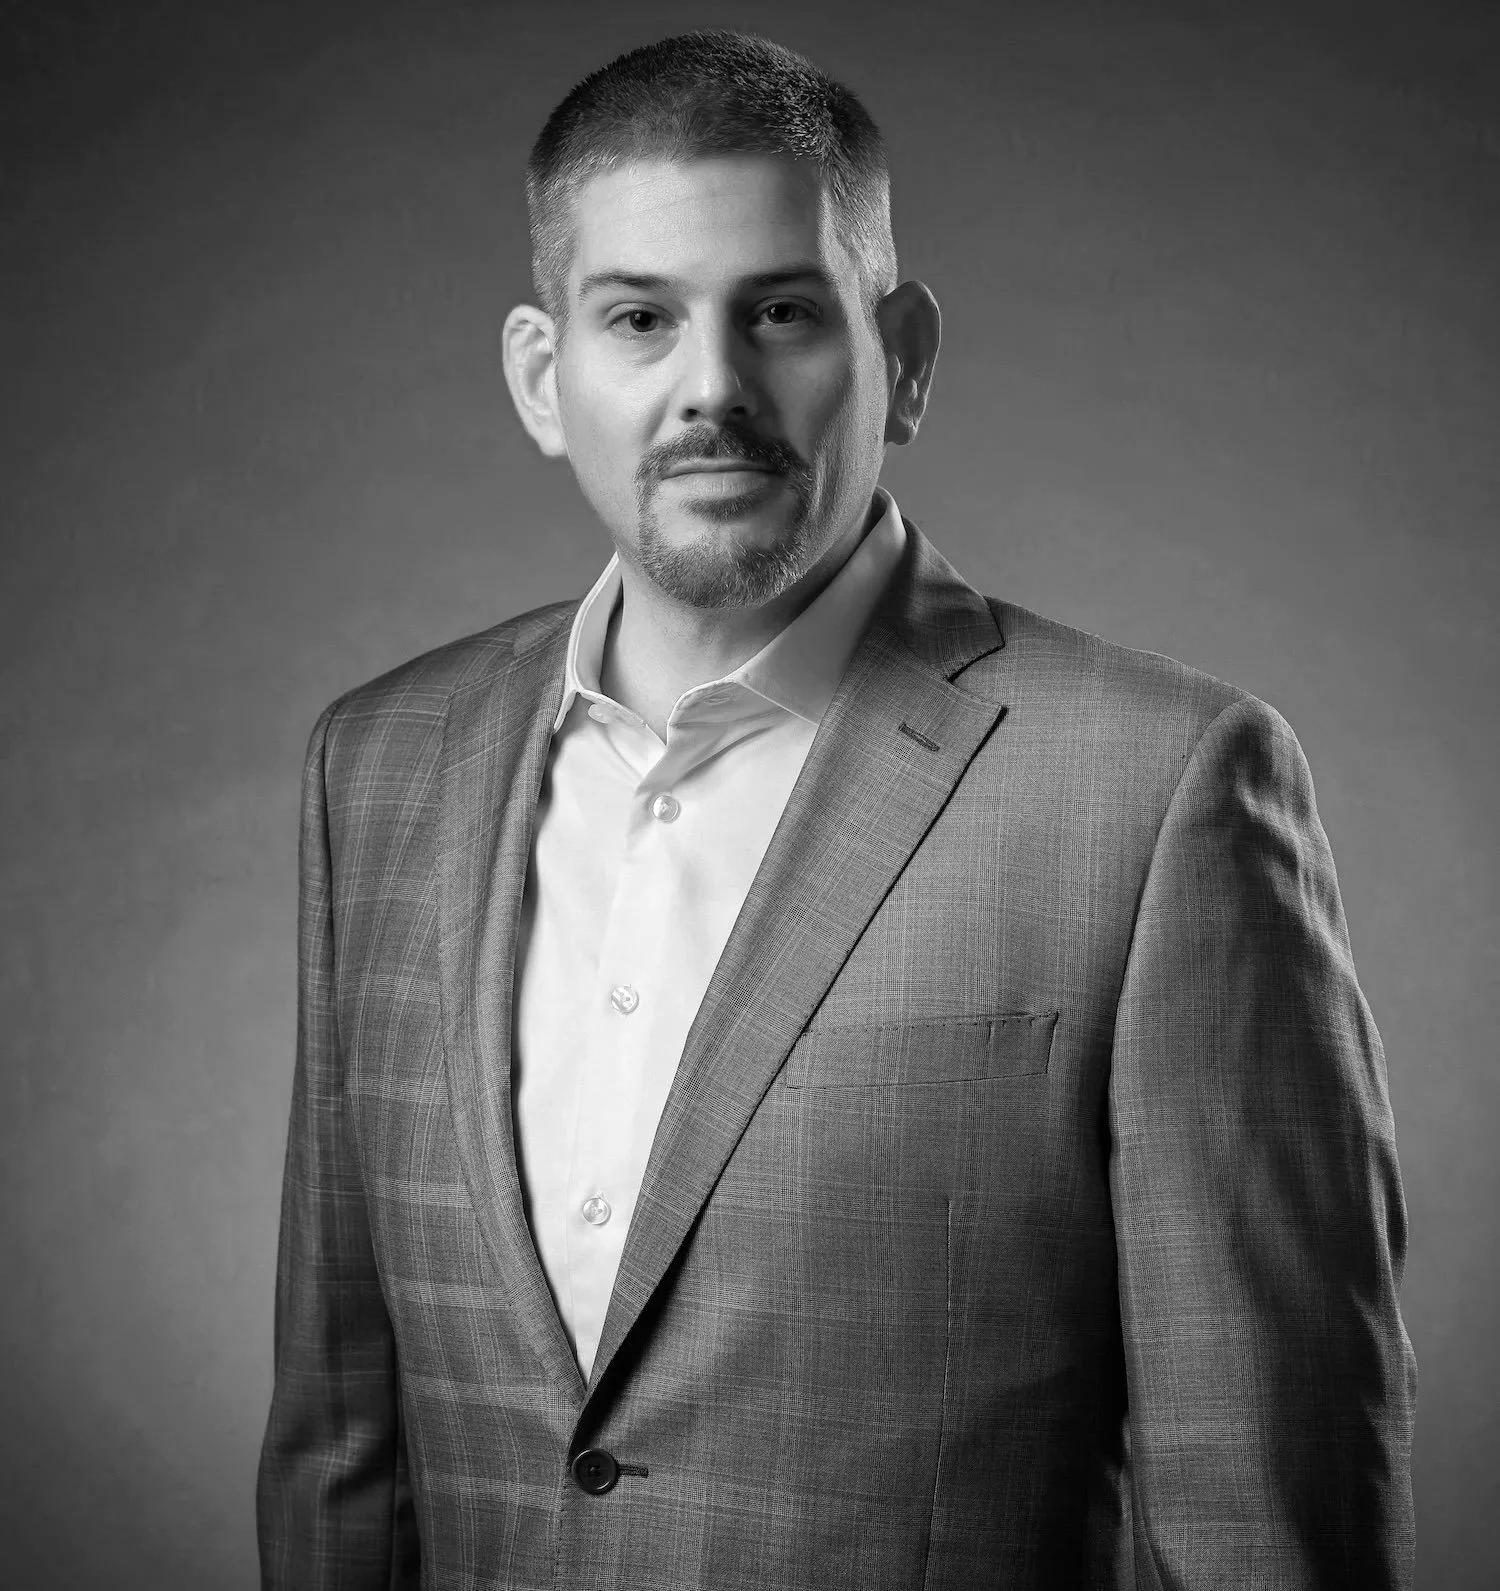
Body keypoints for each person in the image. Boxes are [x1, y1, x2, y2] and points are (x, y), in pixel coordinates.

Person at [256, 29, 1416, 1590]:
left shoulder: (1161, 793)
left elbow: (1268, 1514)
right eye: (640, 318)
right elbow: (344, 1449)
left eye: (783, 313)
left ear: (906, 358)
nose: (710, 389)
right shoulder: (379, 766)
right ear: (547, 375)